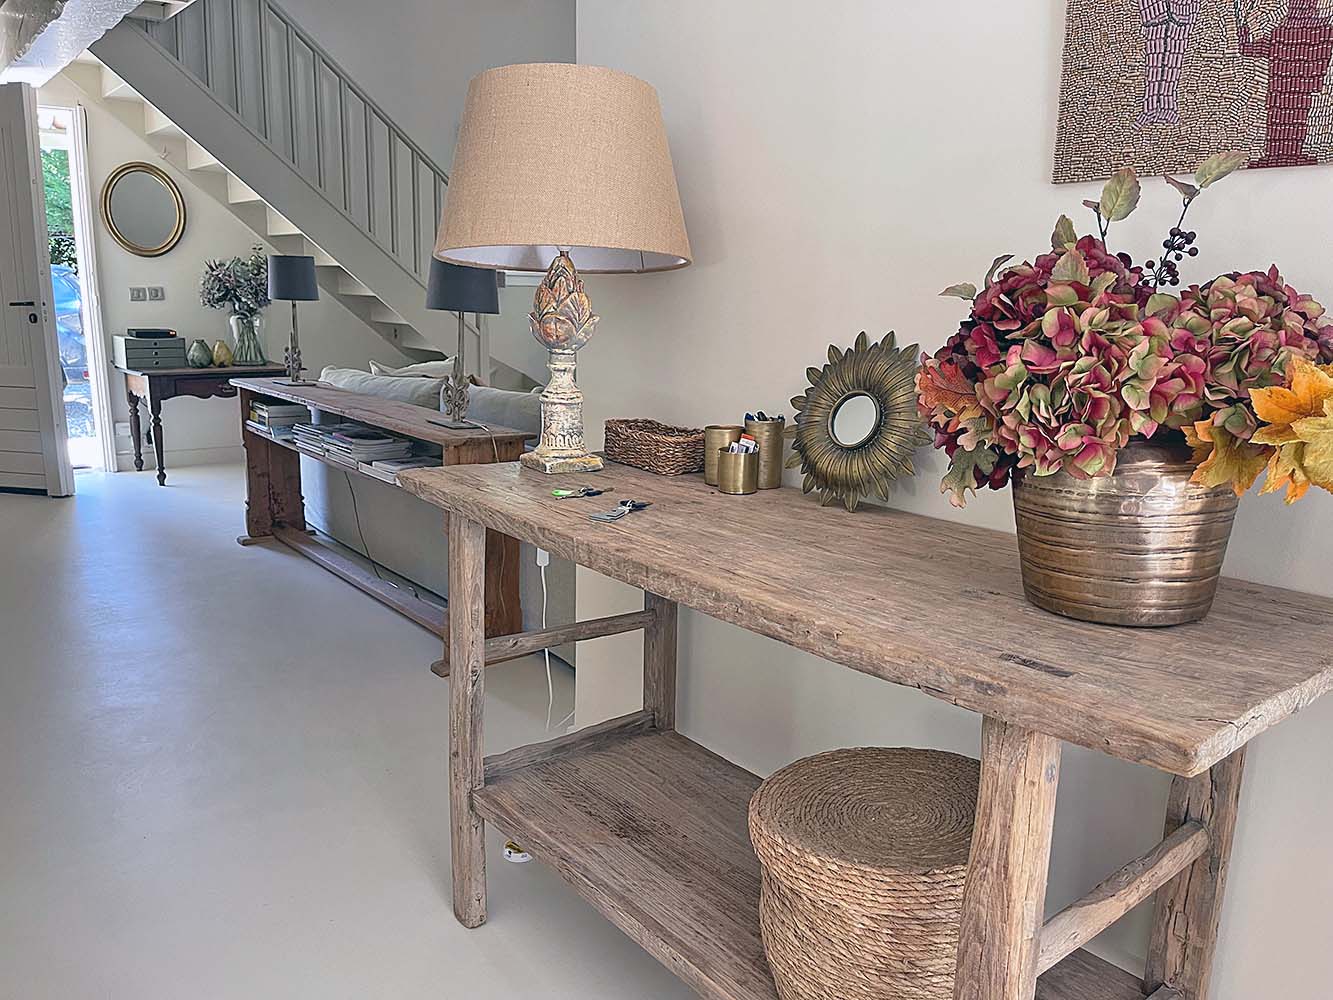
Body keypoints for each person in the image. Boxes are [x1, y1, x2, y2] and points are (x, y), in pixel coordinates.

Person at [1239, 0, 1333, 166]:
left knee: (1283, 120)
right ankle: (1283, 155)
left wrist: (1242, 29)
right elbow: (1250, 48)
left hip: (1284, 86)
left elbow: (1249, 48)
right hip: (1295, 86)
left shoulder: (1284, 31)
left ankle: (1281, 155)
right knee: (1291, 120)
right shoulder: (1323, 29)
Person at [1139, 0, 1202, 126]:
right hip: (1154, 9)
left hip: (1183, 10)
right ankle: (1150, 108)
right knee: (1154, 59)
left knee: (1174, 60)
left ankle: (1167, 107)